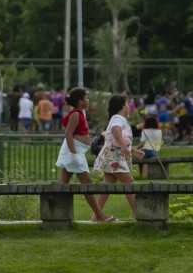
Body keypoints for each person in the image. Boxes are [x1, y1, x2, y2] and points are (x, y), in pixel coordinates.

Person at [55, 87, 116, 223]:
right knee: (87, 184)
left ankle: (56, 215)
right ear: (80, 101)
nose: (88, 100)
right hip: (74, 151)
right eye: (86, 98)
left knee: (62, 184)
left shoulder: (80, 112)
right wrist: (74, 154)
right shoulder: (75, 114)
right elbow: (68, 134)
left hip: (76, 151)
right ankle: (99, 216)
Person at [94, 94, 140, 217]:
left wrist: (133, 150)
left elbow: (119, 139)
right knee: (128, 182)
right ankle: (138, 213)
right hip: (115, 157)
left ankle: (96, 216)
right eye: (127, 104)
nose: (129, 107)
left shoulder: (117, 118)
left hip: (112, 156)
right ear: (123, 106)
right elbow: (115, 130)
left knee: (108, 186)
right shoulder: (118, 118)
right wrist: (124, 147)